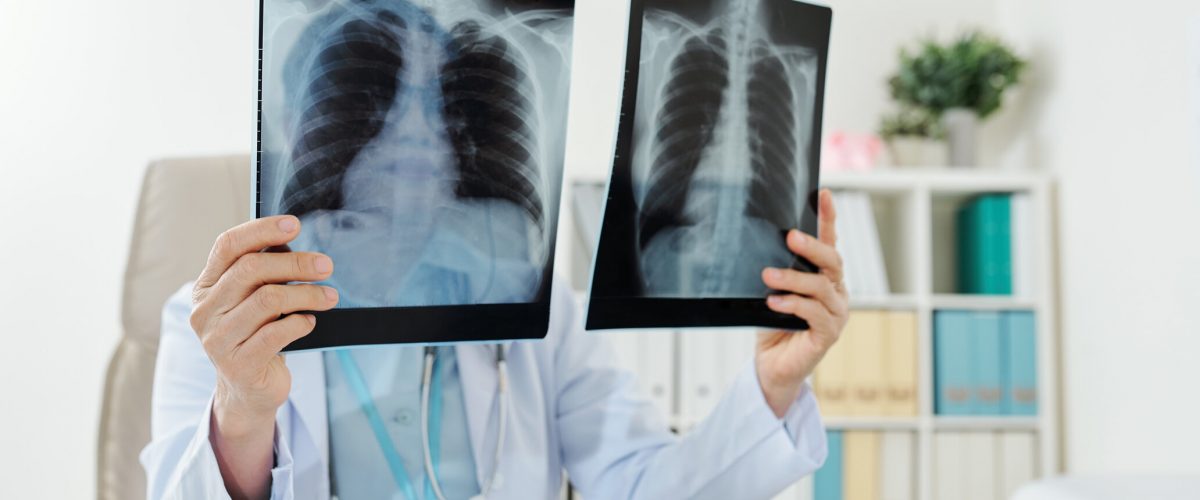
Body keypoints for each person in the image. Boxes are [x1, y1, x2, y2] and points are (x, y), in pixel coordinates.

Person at [139, 188, 847, 500]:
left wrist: (774, 386)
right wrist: (241, 406)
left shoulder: (535, 308)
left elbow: (642, 487)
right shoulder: (222, 317)